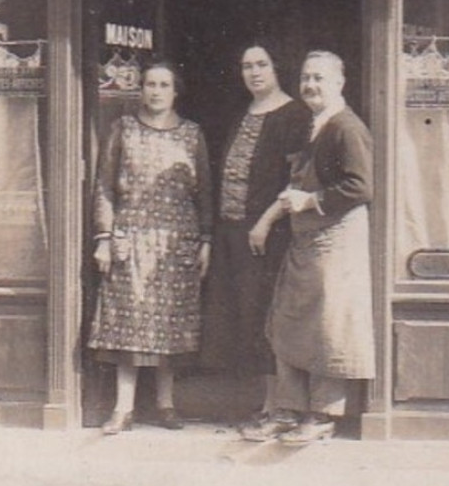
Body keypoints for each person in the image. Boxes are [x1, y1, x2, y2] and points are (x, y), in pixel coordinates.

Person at [244, 50, 376, 446]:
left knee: (328, 326)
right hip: (308, 241)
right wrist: (272, 216)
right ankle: (290, 409)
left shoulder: (345, 127)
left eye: (319, 78)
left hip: (335, 241)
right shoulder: (315, 125)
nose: (310, 86)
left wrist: (312, 202)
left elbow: (361, 187)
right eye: (305, 78)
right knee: (289, 321)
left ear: (339, 83)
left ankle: (323, 415)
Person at [87, 61, 213, 434]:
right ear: (141, 89)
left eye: (164, 85)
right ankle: (122, 408)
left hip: (177, 240)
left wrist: (205, 239)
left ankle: (165, 404)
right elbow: (105, 186)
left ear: (176, 91)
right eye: (150, 84)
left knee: (170, 322)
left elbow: (204, 190)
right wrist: (105, 238)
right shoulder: (123, 129)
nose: (156, 91)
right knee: (130, 320)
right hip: (131, 237)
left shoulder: (192, 135)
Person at [198, 45, 312, 425]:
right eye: (246, 66)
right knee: (244, 314)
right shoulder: (244, 114)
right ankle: (262, 403)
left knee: (268, 314)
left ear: (277, 67)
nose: (254, 72)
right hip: (234, 232)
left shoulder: (294, 115)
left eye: (262, 64)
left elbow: (298, 180)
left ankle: (276, 405)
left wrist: (265, 221)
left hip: (270, 233)